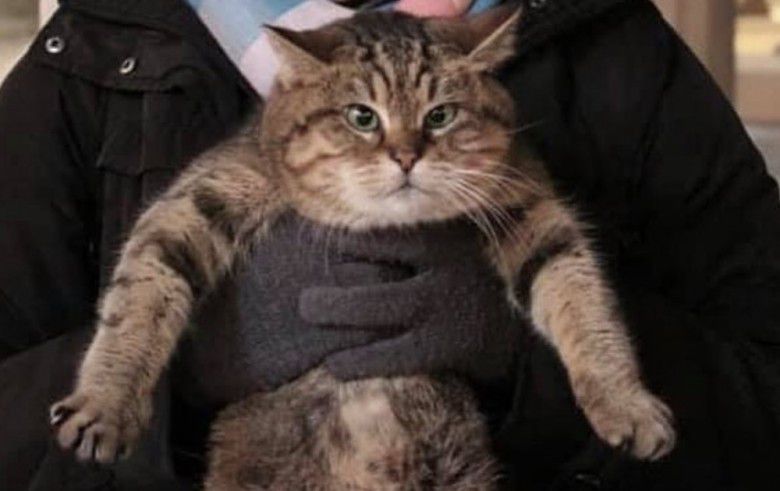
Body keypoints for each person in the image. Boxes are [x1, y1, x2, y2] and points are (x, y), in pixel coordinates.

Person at [1, 0, 779, 490]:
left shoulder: (617, 42)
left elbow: (765, 400)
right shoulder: (92, 49)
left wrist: (530, 362)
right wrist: (185, 371)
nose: (404, 155)